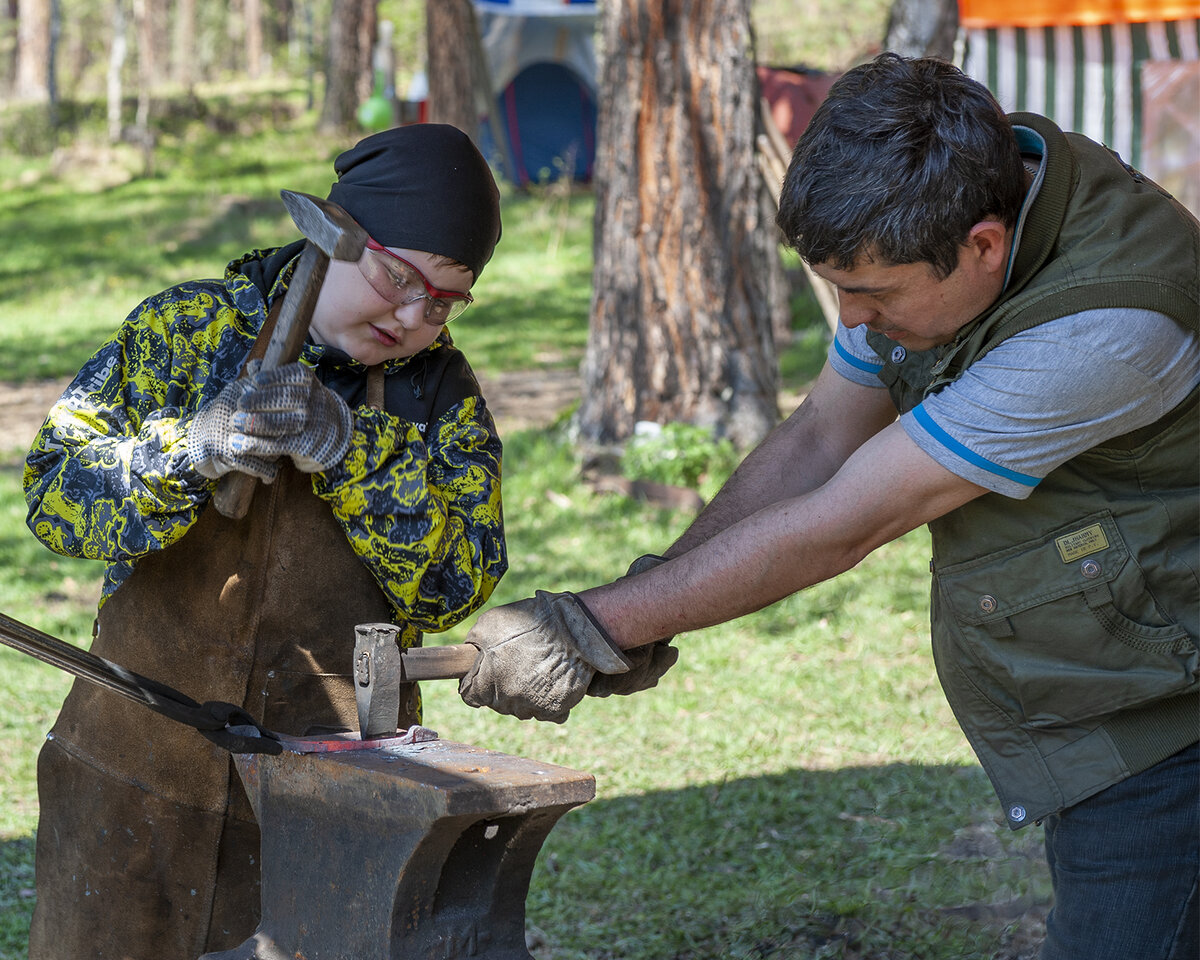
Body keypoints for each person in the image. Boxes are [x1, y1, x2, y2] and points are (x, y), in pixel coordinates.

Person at [454, 54, 1199, 960]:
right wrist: (639, 602)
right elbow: (819, 439)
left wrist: (581, 624)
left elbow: (848, 521)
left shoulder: (1104, 330)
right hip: (1108, 677)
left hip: (1168, 727)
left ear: (984, 247)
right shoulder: (949, 197)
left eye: (871, 293)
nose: (848, 321)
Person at [23, 123, 507, 959]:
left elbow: (456, 585)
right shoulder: (187, 334)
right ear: (337, 232)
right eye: (399, 277)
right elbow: (53, 496)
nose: (413, 314)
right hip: (128, 782)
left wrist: (353, 454)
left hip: (330, 805)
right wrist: (189, 448)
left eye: (445, 300)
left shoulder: (439, 396)